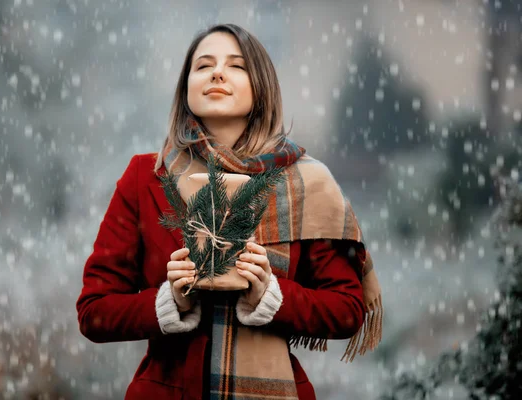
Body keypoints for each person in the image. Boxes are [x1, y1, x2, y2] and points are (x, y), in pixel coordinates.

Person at [76, 23, 383, 400]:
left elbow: (347, 309)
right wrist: (170, 300)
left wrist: (271, 293)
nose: (218, 72)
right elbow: (94, 311)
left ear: (261, 86)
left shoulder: (307, 185)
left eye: (236, 66)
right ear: (186, 88)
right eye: (203, 65)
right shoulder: (146, 177)